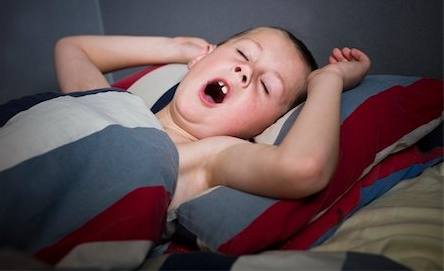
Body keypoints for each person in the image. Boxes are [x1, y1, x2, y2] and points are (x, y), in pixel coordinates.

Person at [54, 26, 370, 209]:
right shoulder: (111, 103)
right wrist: (178, 49)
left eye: (265, 86)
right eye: (244, 54)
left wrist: (327, 81)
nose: (246, 71)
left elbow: (304, 168)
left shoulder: (206, 158)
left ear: (261, 128)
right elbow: (72, 48)